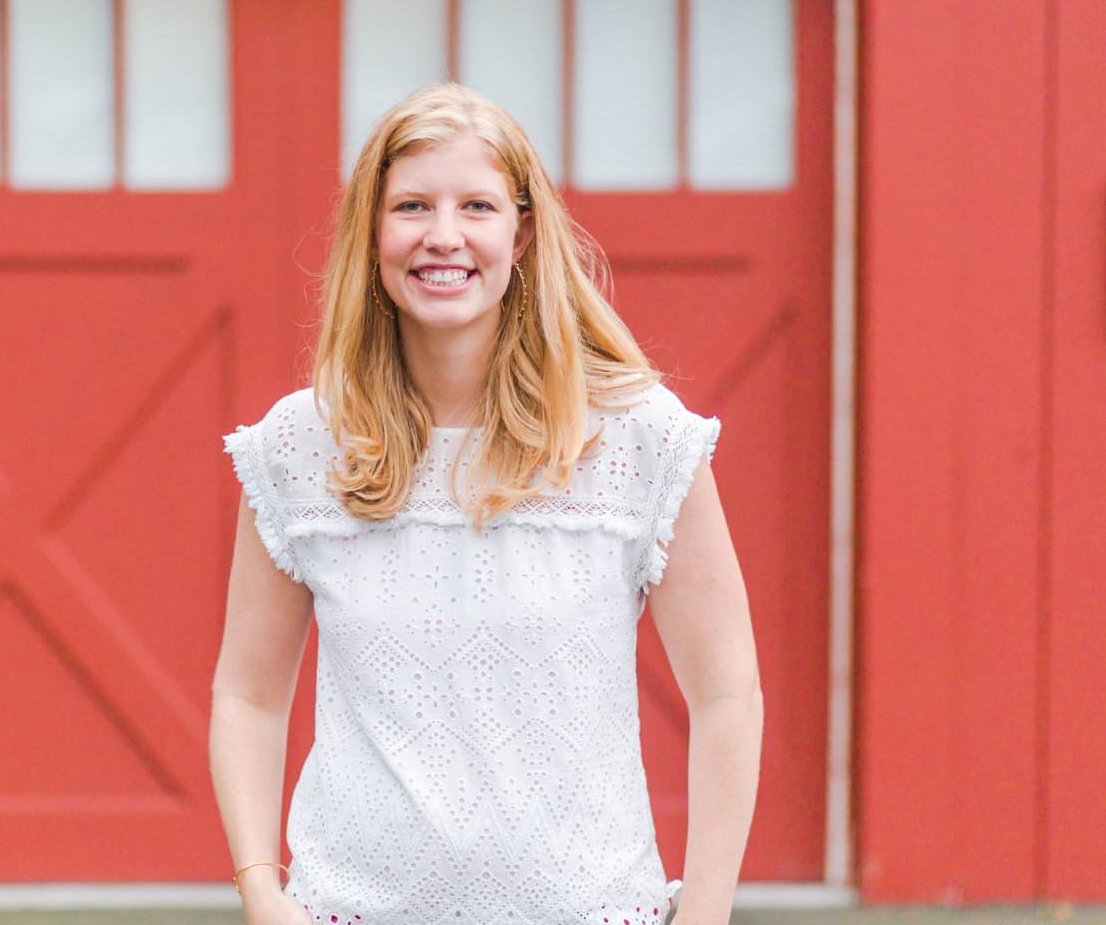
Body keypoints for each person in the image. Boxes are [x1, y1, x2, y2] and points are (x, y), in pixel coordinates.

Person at [209, 83, 761, 925]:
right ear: (370, 233)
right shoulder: (303, 446)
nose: (443, 235)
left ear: (522, 231)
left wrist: (707, 912)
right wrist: (261, 891)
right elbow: (247, 696)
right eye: (412, 206)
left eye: (476, 205)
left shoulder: (637, 440)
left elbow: (727, 693)